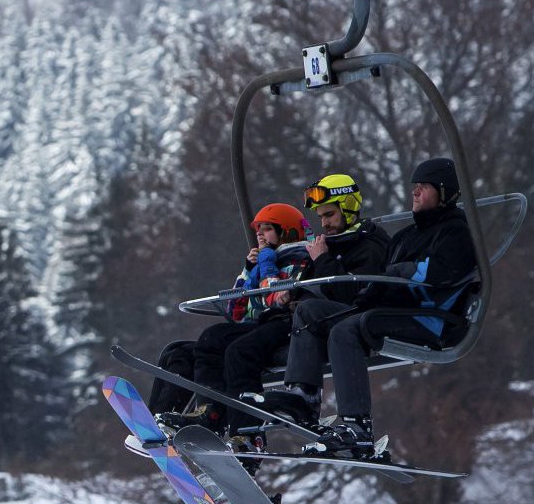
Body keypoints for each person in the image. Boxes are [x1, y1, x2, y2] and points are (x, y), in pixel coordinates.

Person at [158, 174, 389, 449]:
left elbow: (346, 292)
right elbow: (244, 306)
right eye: (320, 217)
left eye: (329, 215)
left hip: (302, 322)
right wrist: (253, 271)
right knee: (192, 345)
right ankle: (190, 415)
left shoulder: (337, 248)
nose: (324, 223)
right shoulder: (325, 248)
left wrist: (295, 281)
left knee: (238, 351)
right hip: (292, 316)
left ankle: (244, 429)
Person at [264, 158, 476, 457]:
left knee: (346, 329)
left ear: (444, 192)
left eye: (424, 187)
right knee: (311, 312)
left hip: (428, 316)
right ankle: (302, 397)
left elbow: (440, 274)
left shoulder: (457, 232)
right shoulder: (407, 236)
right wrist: (369, 294)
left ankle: (357, 428)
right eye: (414, 187)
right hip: (389, 309)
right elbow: (380, 281)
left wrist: (398, 274)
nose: (415, 193)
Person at [156, 203, 312, 437]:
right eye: (259, 229)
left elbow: (278, 298)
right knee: (180, 349)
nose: (260, 235)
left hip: (283, 323)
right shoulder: (260, 262)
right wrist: (249, 269)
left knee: (228, 346)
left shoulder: (299, 256)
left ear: (287, 231)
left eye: (267, 229)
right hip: (257, 323)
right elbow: (235, 308)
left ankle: (229, 423)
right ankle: (165, 416)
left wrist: (267, 267)